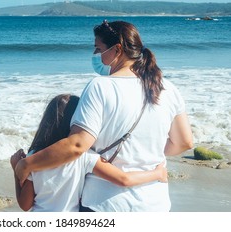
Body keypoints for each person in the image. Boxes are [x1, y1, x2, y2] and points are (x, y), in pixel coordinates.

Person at [15, 20, 193, 212]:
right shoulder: (167, 89)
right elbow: (184, 142)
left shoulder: (100, 86)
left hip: (106, 205)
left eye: (98, 49)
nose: (95, 55)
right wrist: (143, 153)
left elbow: (77, 145)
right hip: (155, 204)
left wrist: (26, 164)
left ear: (117, 50)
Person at [10, 94, 167, 212]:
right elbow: (123, 179)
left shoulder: (33, 158)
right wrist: (157, 174)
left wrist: (16, 170)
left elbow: (25, 205)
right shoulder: (85, 156)